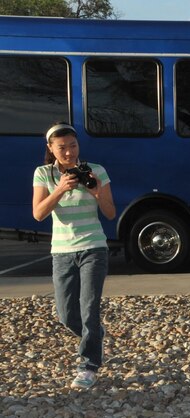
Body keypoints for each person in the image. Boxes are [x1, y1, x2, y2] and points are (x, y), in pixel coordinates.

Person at [32, 123, 116, 389]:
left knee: (89, 308)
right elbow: (38, 213)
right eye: (62, 148)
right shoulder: (43, 174)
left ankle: (88, 365)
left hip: (93, 247)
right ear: (51, 149)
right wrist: (60, 189)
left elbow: (111, 213)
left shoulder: (96, 171)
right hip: (62, 252)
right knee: (67, 315)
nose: (69, 153)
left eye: (73, 146)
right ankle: (95, 337)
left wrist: (96, 192)